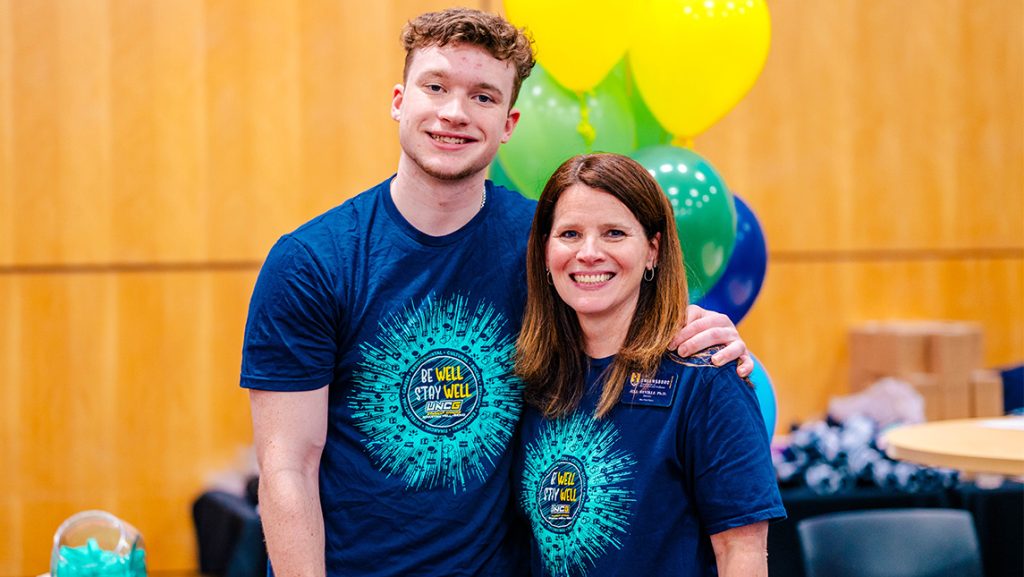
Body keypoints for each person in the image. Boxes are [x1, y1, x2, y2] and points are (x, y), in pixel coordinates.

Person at [241, 8, 752, 577]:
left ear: (508, 124)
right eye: (435, 87)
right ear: (398, 100)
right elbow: (288, 464)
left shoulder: (548, 246)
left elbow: (629, 321)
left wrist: (708, 337)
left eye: (483, 96)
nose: (455, 113)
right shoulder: (312, 261)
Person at [514, 153, 785, 577]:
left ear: (652, 250)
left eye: (614, 233)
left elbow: (741, 556)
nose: (589, 253)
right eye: (570, 233)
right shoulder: (532, 379)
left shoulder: (707, 377)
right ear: (546, 251)